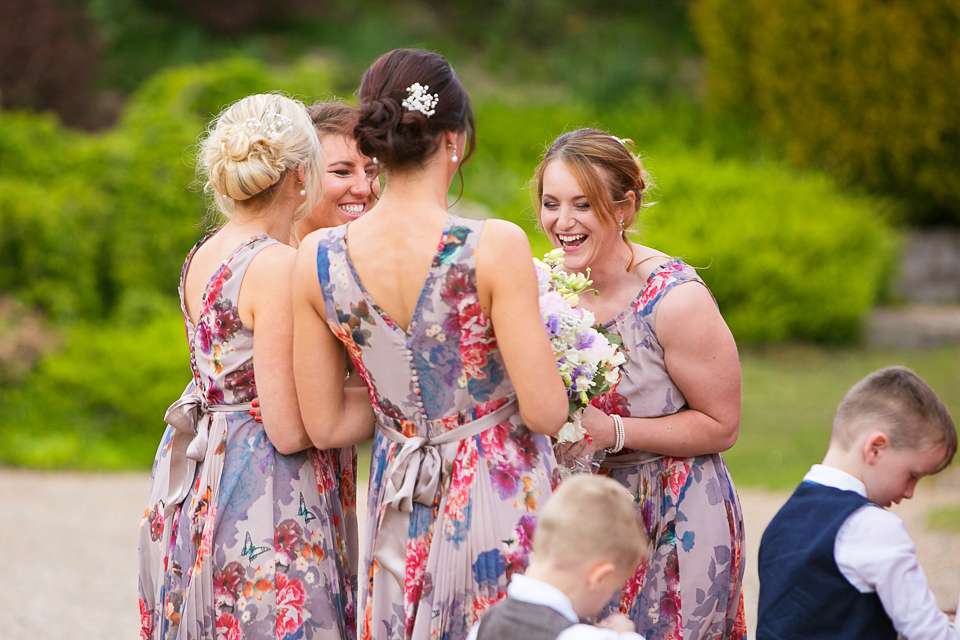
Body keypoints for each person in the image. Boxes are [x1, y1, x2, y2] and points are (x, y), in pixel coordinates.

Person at [292, 48, 569, 640]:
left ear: (374, 142)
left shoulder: (320, 257)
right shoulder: (494, 244)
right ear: (456, 139)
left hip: (399, 495)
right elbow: (547, 411)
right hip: (498, 490)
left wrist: (413, 404)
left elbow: (325, 423)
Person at [138, 93, 368, 640]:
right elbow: (289, 430)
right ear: (297, 175)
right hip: (263, 483)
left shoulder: (206, 250)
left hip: (202, 460)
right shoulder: (279, 265)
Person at [532, 128, 747, 640]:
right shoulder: (544, 291)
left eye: (583, 205)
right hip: (583, 522)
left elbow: (722, 425)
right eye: (551, 204)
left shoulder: (674, 300)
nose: (562, 223)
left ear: (623, 208)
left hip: (673, 515)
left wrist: (616, 432)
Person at [757, 366, 960, 640]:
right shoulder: (872, 527)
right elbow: (931, 635)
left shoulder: (782, 522)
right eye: (913, 475)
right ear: (875, 448)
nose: (910, 492)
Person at [468, 475, 650, 640]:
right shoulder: (576, 635)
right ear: (598, 576)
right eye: (611, 590)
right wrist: (624, 634)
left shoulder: (483, 625)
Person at [298, 100, 380, 237]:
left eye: (370, 171)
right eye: (342, 172)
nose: (364, 189)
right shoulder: (269, 257)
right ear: (298, 175)